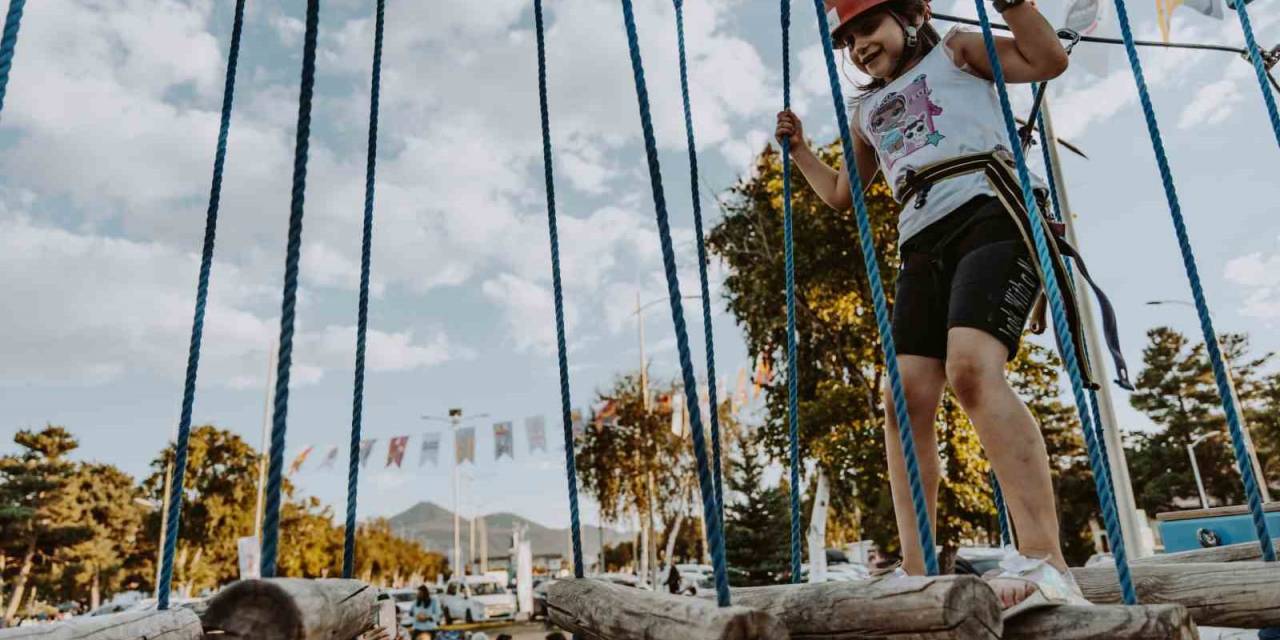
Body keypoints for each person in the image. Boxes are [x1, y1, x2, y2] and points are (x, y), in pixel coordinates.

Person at [775, 0, 1089, 616]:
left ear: (911, 15)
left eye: (869, 27)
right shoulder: (866, 112)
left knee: (971, 370)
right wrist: (801, 151)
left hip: (992, 211)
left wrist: (1014, 7)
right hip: (921, 241)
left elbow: (1047, 60)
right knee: (903, 398)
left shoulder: (957, 51)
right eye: (849, 39)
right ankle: (916, 569)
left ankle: (1046, 560)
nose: (859, 46)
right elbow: (842, 194)